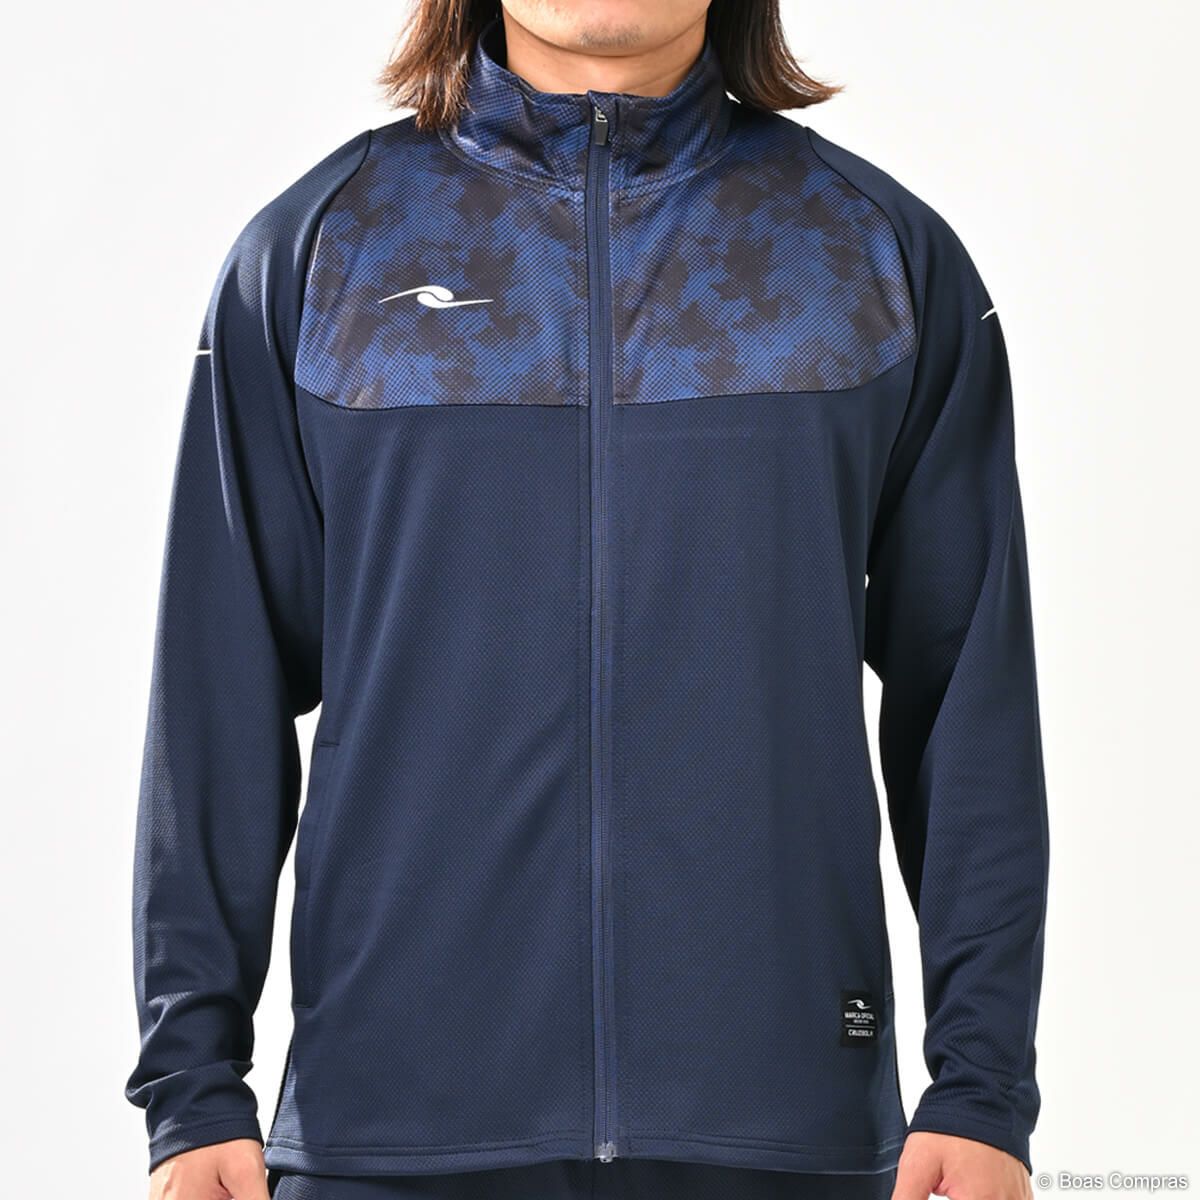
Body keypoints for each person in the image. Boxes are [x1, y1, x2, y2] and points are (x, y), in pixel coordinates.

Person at [126, 2, 1050, 1199]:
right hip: (390, 1134)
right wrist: (193, 1085)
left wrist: (982, 1086)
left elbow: (967, 694)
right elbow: (219, 688)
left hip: (783, 1125)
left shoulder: (871, 257)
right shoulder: (319, 255)